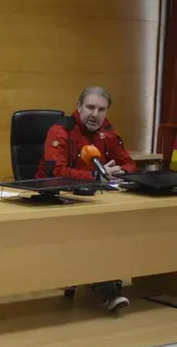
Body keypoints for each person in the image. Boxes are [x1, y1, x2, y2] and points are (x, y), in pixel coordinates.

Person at [36, 86, 133, 312]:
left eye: (101, 109)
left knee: (116, 227)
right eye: (90, 107)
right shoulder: (61, 130)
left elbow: (129, 163)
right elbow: (56, 172)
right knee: (96, 232)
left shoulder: (107, 131)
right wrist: (95, 176)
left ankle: (104, 281)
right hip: (55, 199)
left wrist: (121, 172)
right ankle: (108, 290)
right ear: (78, 107)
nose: (95, 114)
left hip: (94, 199)